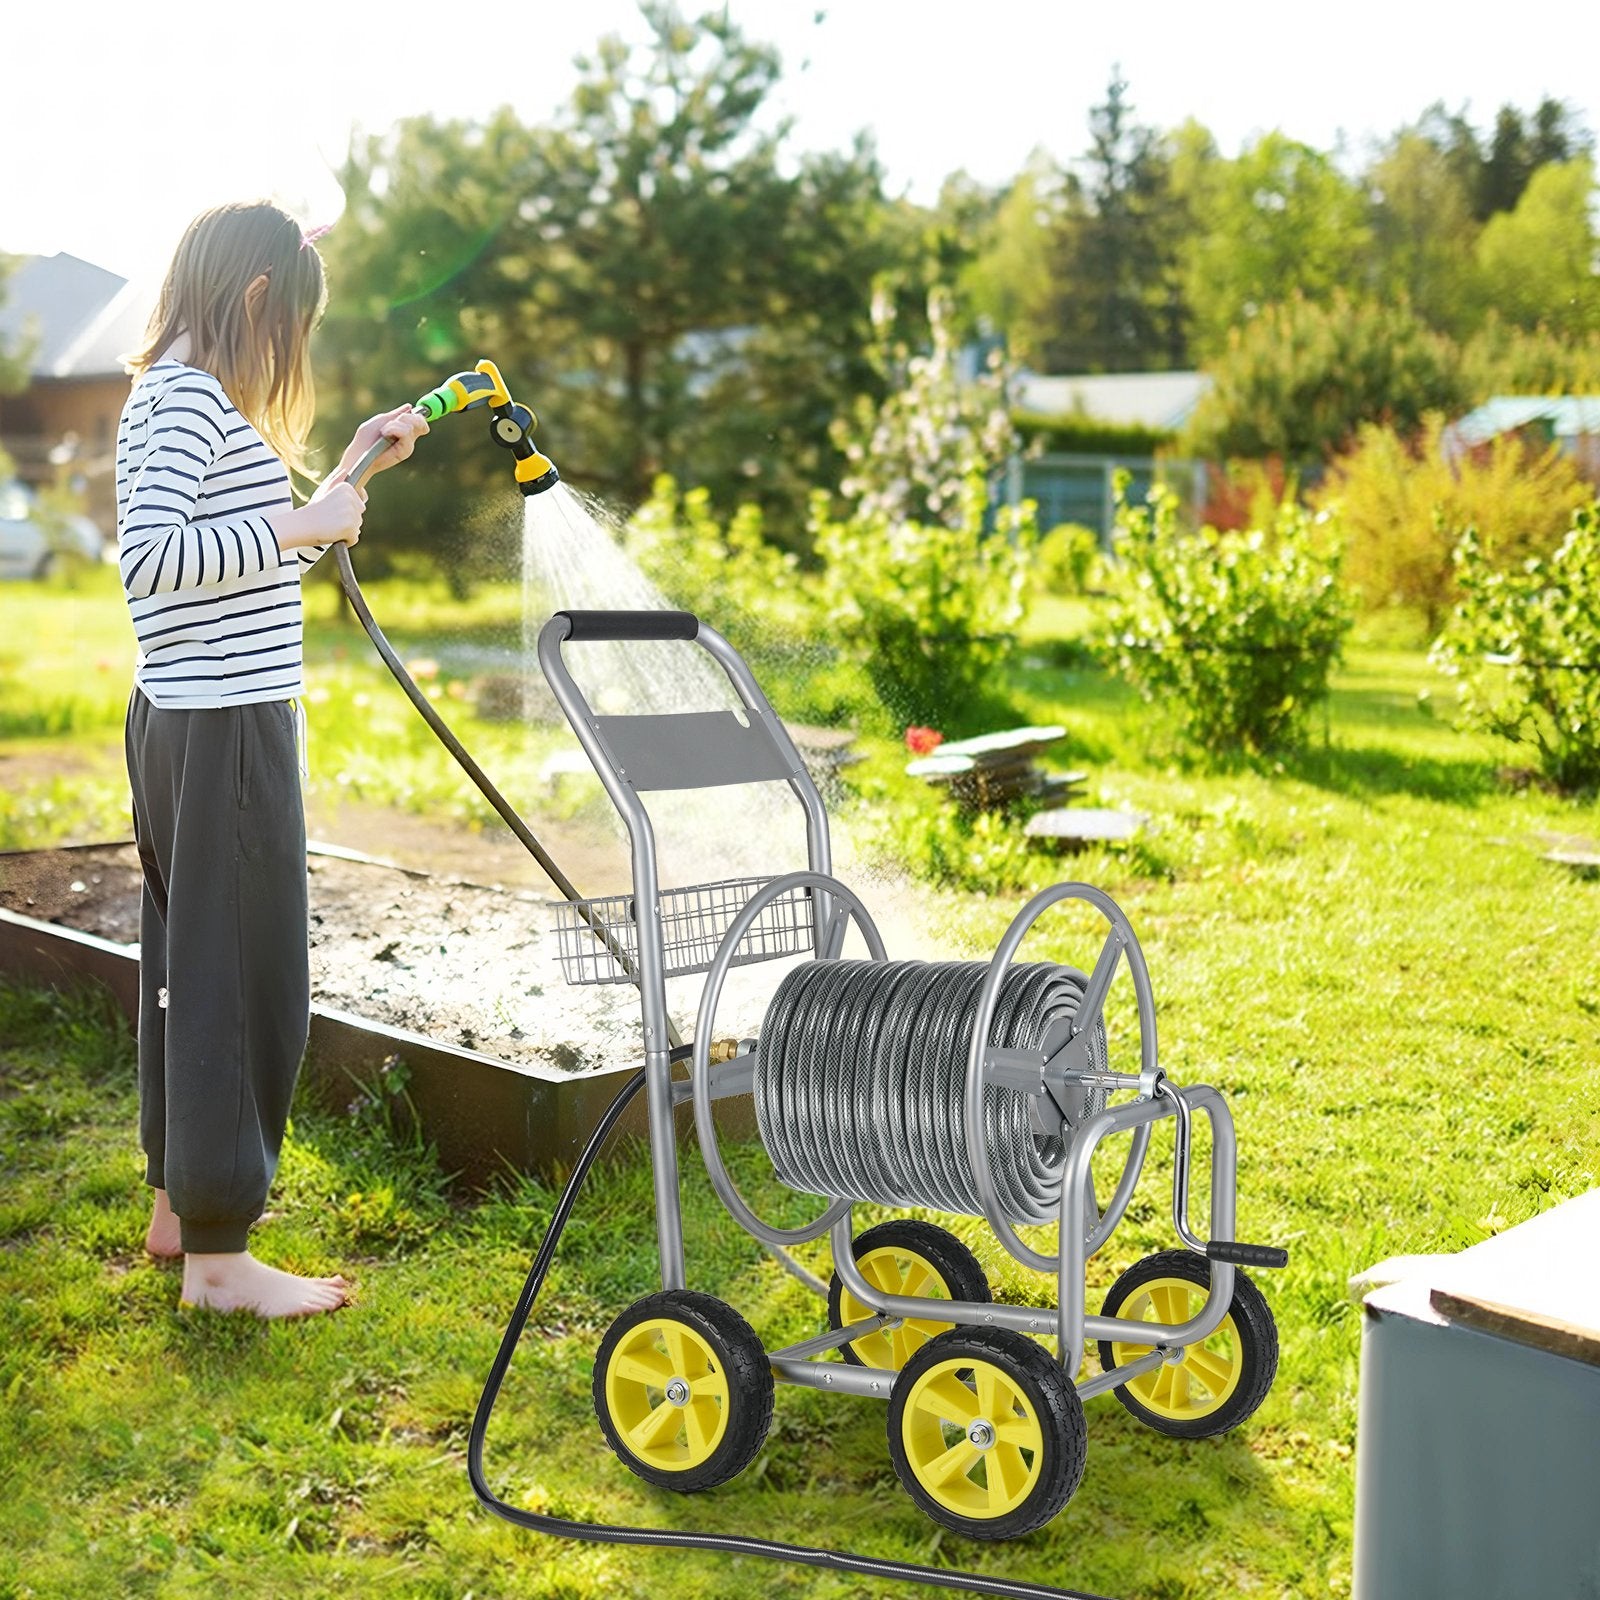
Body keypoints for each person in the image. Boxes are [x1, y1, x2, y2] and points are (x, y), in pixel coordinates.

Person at [117, 200, 427, 1317]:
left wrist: (343, 482)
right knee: (242, 982)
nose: (289, 352)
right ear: (256, 301)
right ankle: (219, 1262)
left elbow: (226, 575)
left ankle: (179, 1208)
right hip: (224, 729)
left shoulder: (172, 398)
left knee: (186, 963)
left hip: (191, 716)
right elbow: (152, 562)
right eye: (291, 325)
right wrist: (305, 527)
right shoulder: (189, 400)